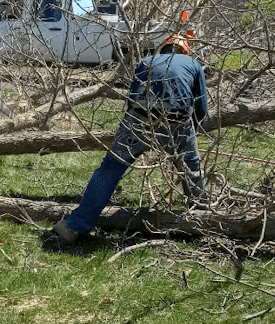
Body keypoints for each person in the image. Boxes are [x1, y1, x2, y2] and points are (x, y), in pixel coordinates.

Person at [52, 33, 210, 245]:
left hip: (140, 120)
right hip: (178, 123)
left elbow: (132, 98)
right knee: (191, 169)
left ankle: (74, 226)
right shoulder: (193, 64)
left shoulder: (146, 62)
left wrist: (129, 128)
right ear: (184, 50)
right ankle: (206, 222)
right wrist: (191, 132)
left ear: (162, 48)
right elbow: (201, 108)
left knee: (110, 169)